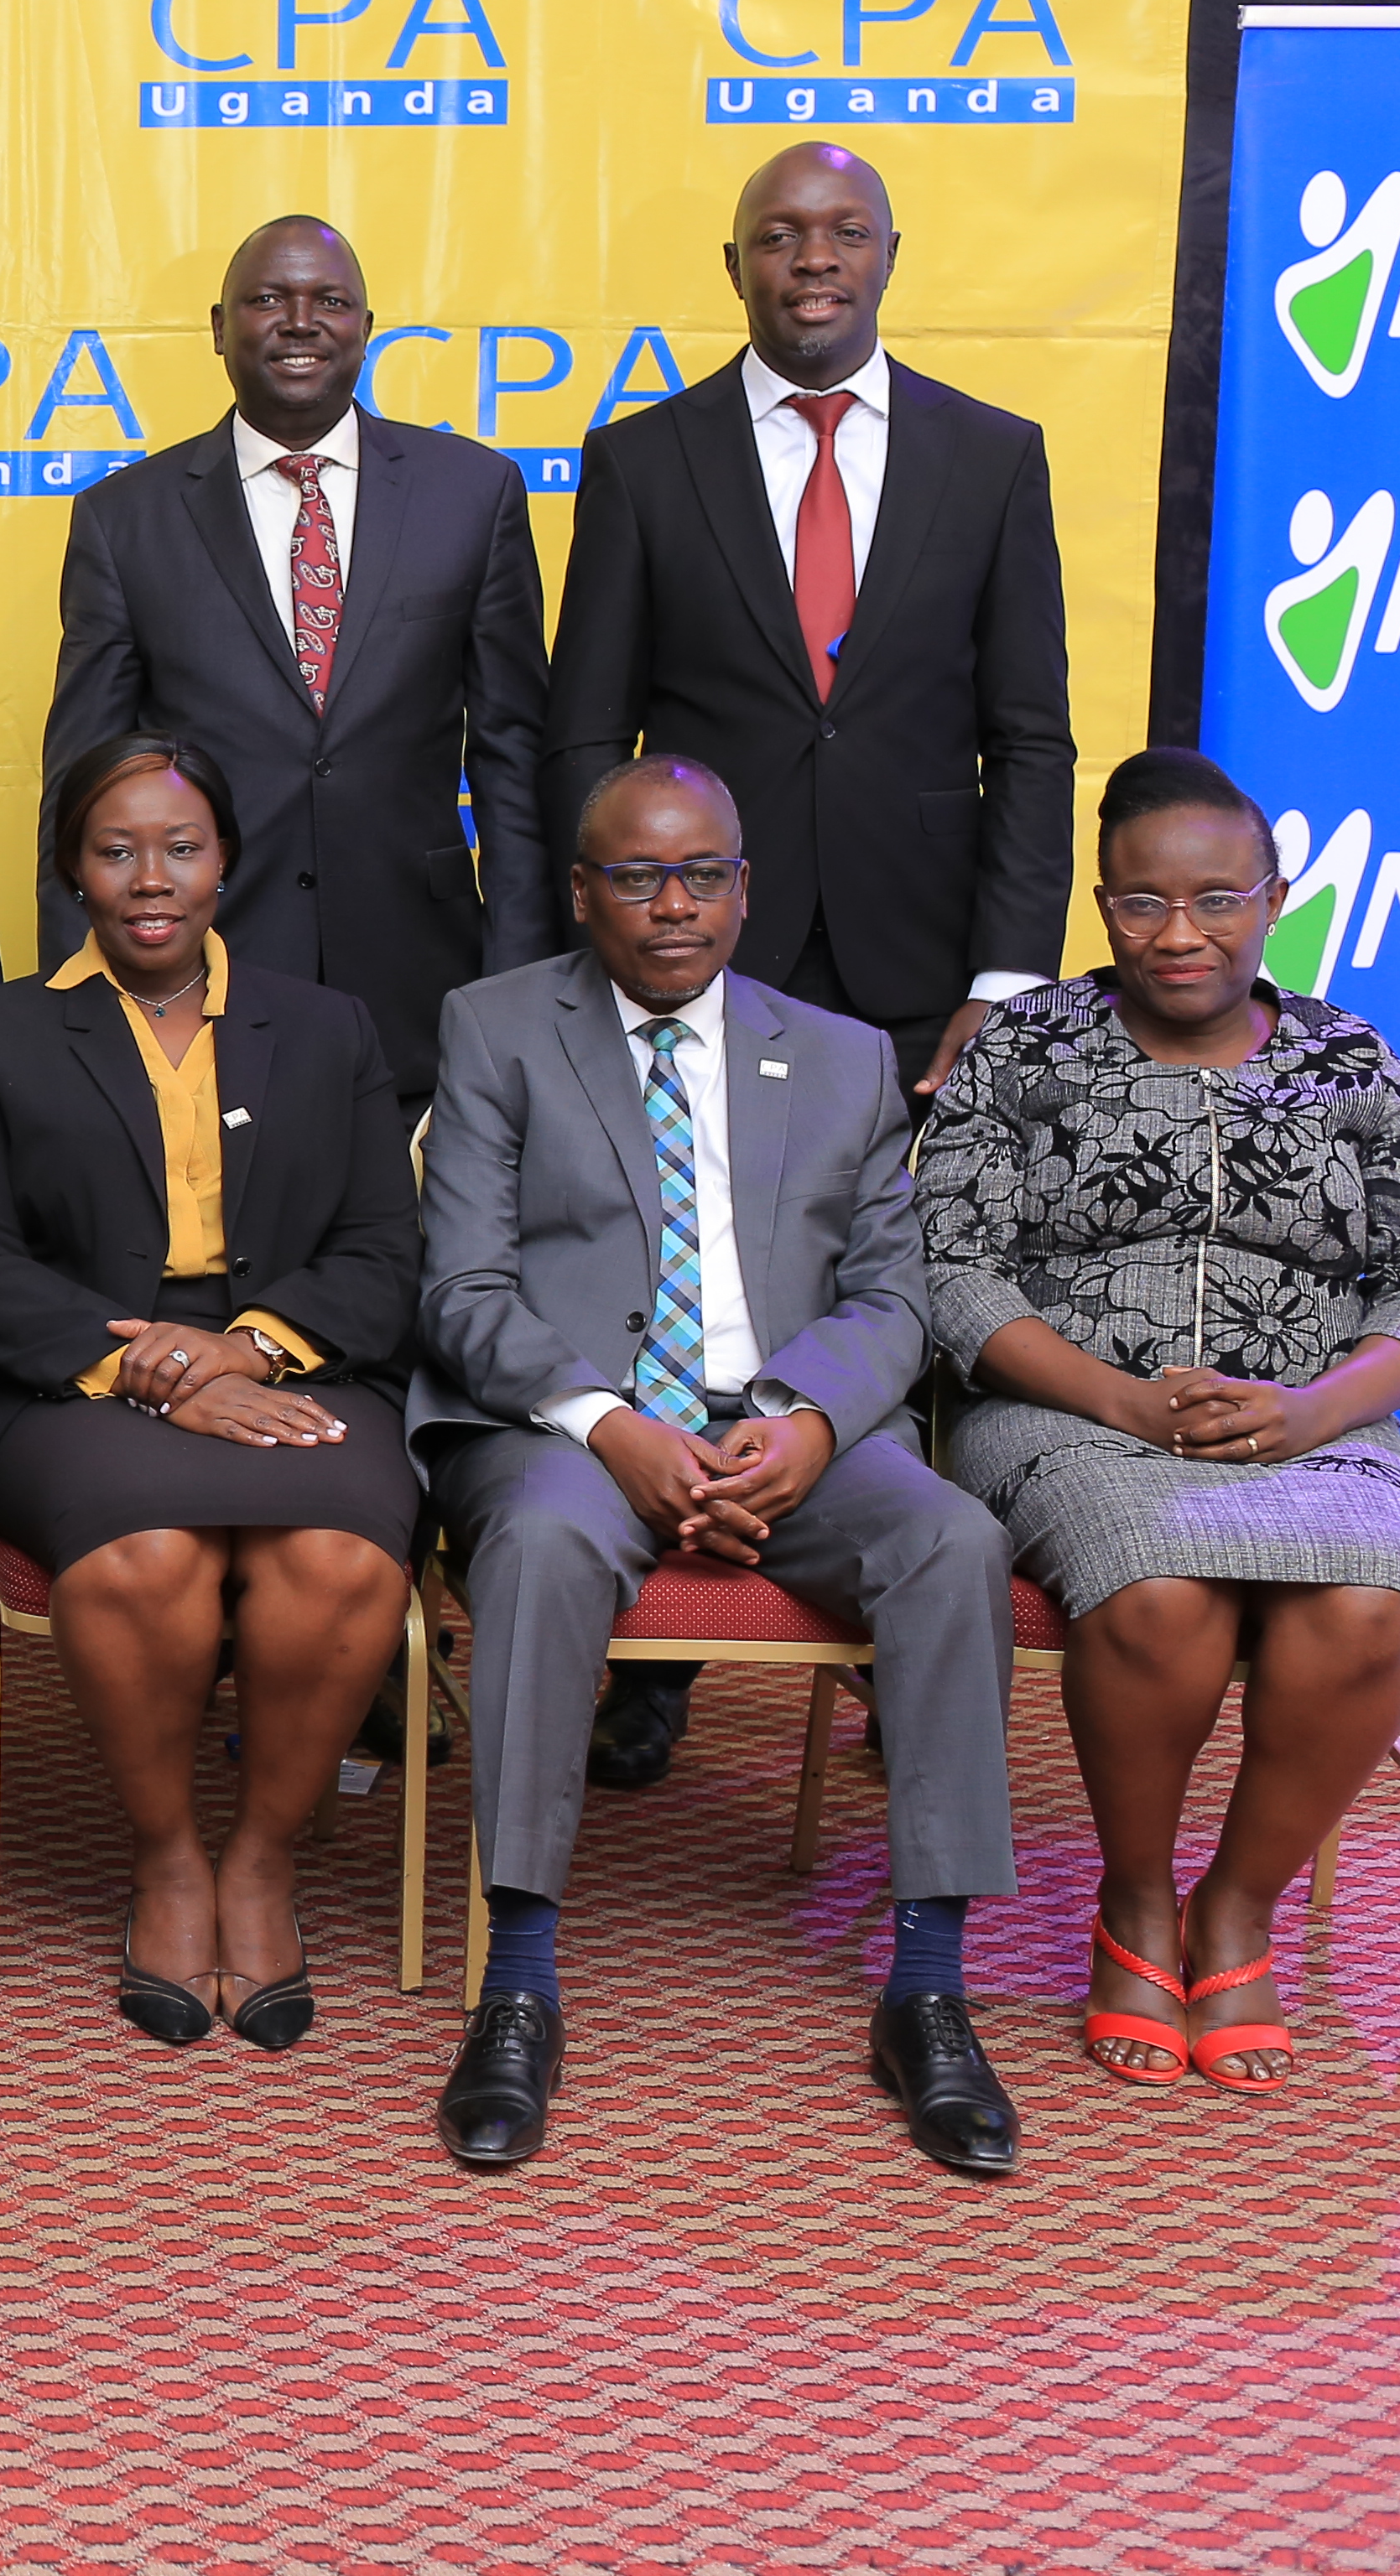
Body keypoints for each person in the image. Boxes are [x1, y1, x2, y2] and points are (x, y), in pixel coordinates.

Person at [541, 142, 1074, 1791]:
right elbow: (583, 727)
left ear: (893, 254)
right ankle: (668, 1658)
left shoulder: (995, 458)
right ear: (736, 265)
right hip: (692, 961)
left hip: (921, 966)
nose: (814, 261)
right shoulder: (644, 459)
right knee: (688, 1277)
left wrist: (1002, 976)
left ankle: (908, 1651)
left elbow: (1031, 740)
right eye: (783, 237)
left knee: (891, 1296)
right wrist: (601, 954)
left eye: (845, 234)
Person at [413, 756, 1023, 2176]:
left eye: (700, 873)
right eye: (634, 875)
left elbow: (895, 1294)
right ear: (580, 890)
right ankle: (518, 1978)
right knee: (544, 1546)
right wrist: (608, 1420)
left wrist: (809, 1421)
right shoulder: (496, 1028)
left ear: (745, 888)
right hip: (566, 1426)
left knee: (950, 1543)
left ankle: (927, 1986)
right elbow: (460, 1289)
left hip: (782, 1426)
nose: (670, 904)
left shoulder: (842, 1054)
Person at [920, 748, 1400, 2095]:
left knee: (1363, 1609)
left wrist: (1313, 1412)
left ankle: (1238, 1907)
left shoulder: (1351, 1057)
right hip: (1072, 1408)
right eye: (1144, 903)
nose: (1181, 933)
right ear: (1101, 906)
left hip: (1312, 1413)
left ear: (1274, 897)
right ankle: (1139, 1903)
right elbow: (949, 1267)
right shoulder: (1028, 1050)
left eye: (1218, 900)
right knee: (1160, 1594)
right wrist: (1116, 1397)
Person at [0, 732, 419, 2055]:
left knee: (340, 1558)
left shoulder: (329, 1027)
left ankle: (259, 1859)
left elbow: (382, 1251)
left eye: (181, 848)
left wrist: (246, 1347)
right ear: (72, 869)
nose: (151, 877)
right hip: (65, 1385)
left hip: (293, 1363)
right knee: (146, 1557)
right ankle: (168, 1858)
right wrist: (138, 1366)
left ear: (226, 864)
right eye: (116, 848)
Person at [43, 213, 547, 1110]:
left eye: (330, 301)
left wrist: (521, 978)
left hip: (426, 971)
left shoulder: (473, 494)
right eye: (268, 299)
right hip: (204, 975)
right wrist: (77, 1003)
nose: (300, 320)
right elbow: (83, 787)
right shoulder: (126, 519)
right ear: (217, 327)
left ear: (366, 326)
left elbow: (513, 761)